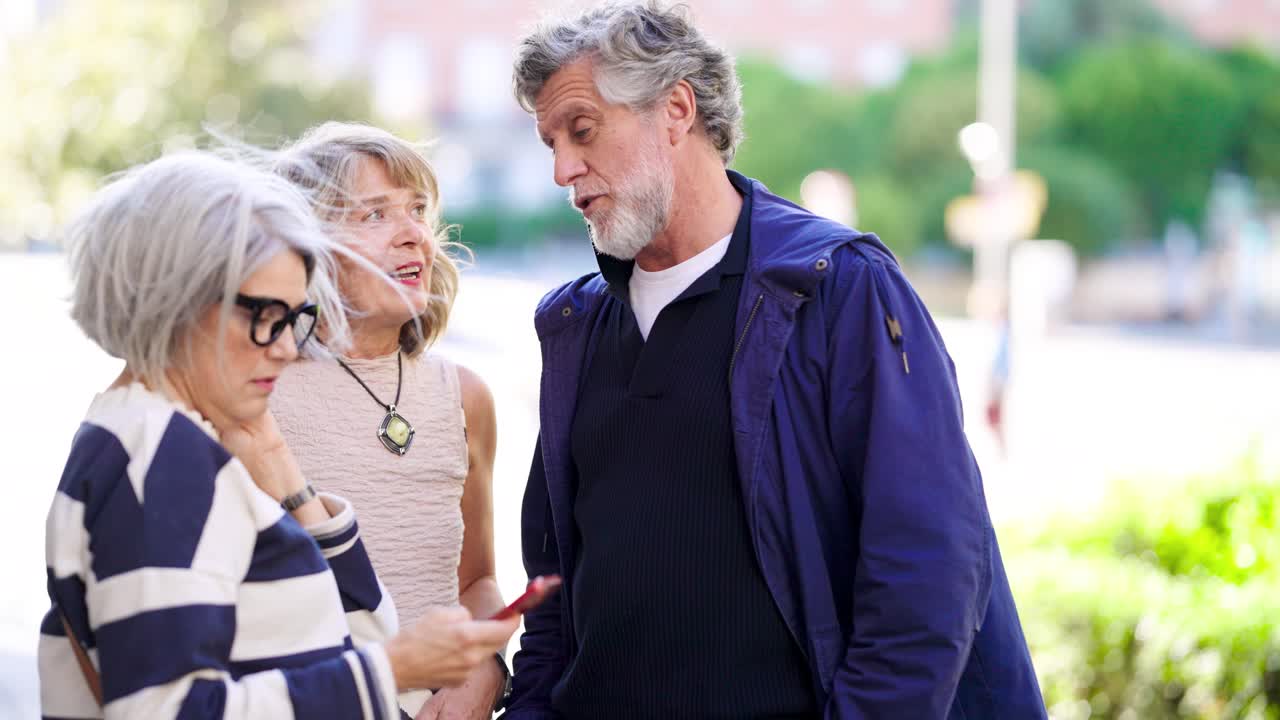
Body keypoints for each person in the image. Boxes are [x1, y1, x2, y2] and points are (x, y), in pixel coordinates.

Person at [504, 2, 1046, 718]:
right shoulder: (574, 325)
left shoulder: (840, 289)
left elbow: (927, 575)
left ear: (675, 109)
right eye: (550, 143)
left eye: (581, 131)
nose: (562, 169)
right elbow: (554, 590)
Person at [38, 151, 518, 720]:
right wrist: (391, 671)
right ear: (183, 294)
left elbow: (358, 627)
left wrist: (289, 481)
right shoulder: (156, 455)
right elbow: (164, 710)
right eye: (267, 314)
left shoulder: (146, 434)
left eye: (294, 319)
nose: (288, 347)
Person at [271, 123, 508, 719]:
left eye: (418, 210)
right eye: (374, 214)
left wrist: (484, 672)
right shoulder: (255, 395)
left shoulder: (466, 397)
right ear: (304, 244)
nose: (412, 236)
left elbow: (476, 585)